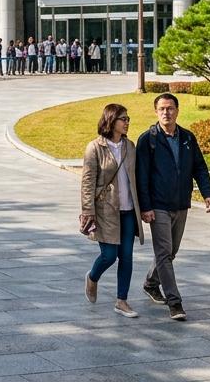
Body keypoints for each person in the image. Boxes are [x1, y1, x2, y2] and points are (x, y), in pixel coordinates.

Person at [135, 93, 210, 321]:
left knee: (170, 252)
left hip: (181, 204)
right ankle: (175, 302)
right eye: (161, 109)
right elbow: (142, 176)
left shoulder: (187, 137)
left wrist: (207, 193)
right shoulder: (147, 140)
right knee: (163, 253)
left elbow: (199, 166)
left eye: (170, 108)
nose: (166, 113)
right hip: (157, 205)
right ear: (155, 112)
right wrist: (145, 207)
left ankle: (151, 283)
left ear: (177, 111)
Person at [81, 103, 144, 319]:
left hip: (128, 210)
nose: (127, 122)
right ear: (111, 120)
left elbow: (136, 178)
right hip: (106, 211)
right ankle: (92, 276)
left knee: (127, 257)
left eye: (128, 119)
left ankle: (122, 301)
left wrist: (144, 208)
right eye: (123, 119)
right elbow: (87, 183)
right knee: (109, 256)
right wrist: (88, 212)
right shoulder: (95, 147)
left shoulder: (130, 146)